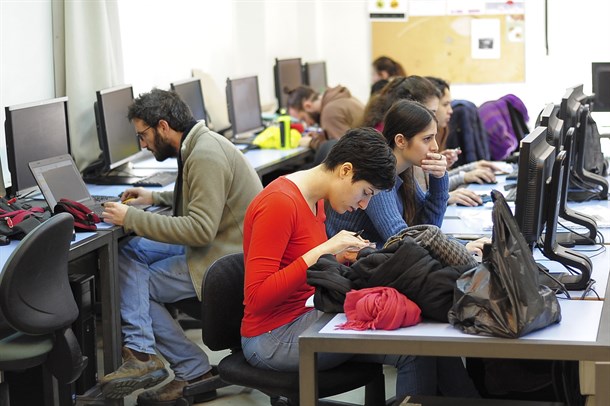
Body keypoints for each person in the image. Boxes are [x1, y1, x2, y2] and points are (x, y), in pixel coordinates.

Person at [241, 127, 480, 399]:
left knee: (421, 338)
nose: (365, 204)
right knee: (413, 348)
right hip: (270, 337)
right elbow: (256, 297)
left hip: (309, 314)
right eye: (365, 192)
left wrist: (338, 256)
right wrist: (322, 253)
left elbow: (303, 268)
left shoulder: (315, 201)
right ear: (345, 170)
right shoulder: (279, 203)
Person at [99, 89, 263, 404]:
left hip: (225, 262)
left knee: (135, 285)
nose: (142, 144)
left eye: (143, 135)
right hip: (222, 246)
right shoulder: (198, 143)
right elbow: (205, 200)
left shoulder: (204, 154)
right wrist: (154, 198)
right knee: (127, 253)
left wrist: (131, 218)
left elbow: (200, 230)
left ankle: (174, 364)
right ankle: (143, 353)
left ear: (163, 126)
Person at [327, 99, 486, 255]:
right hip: (350, 267)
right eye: (427, 139)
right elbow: (400, 239)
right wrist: (461, 247)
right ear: (401, 141)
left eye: (434, 138)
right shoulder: (377, 175)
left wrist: (439, 178)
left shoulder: (405, 171)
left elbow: (428, 226)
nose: (435, 147)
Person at [426, 76, 502, 207]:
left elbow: (430, 183)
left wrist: (470, 168)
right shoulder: (419, 139)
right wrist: (463, 177)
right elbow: (422, 191)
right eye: (445, 104)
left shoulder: (442, 131)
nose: (451, 110)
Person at [286, 84, 364, 151]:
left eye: (304, 119)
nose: (308, 125)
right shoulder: (340, 97)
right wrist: (322, 137)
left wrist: (311, 142)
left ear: (308, 106)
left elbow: (344, 152)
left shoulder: (329, 111)